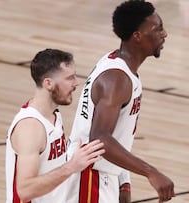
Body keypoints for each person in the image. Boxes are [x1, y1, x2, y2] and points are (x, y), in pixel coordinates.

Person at [66, 0, 174, 203]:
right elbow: (99, 138)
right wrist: (151, 172)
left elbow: (117, 135)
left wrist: (123, 181)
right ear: (137, 37)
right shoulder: (116, 79)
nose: (164, 34)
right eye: (158, 29)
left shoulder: (120, 67)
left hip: (102, 176)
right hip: (89, 177)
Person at [5, 48, 105, 203]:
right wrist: (72, 166)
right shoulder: (30, 128)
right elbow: (25, 190)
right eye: (70, 78)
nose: (76, 83)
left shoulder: (54, 114)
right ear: (49, 84)